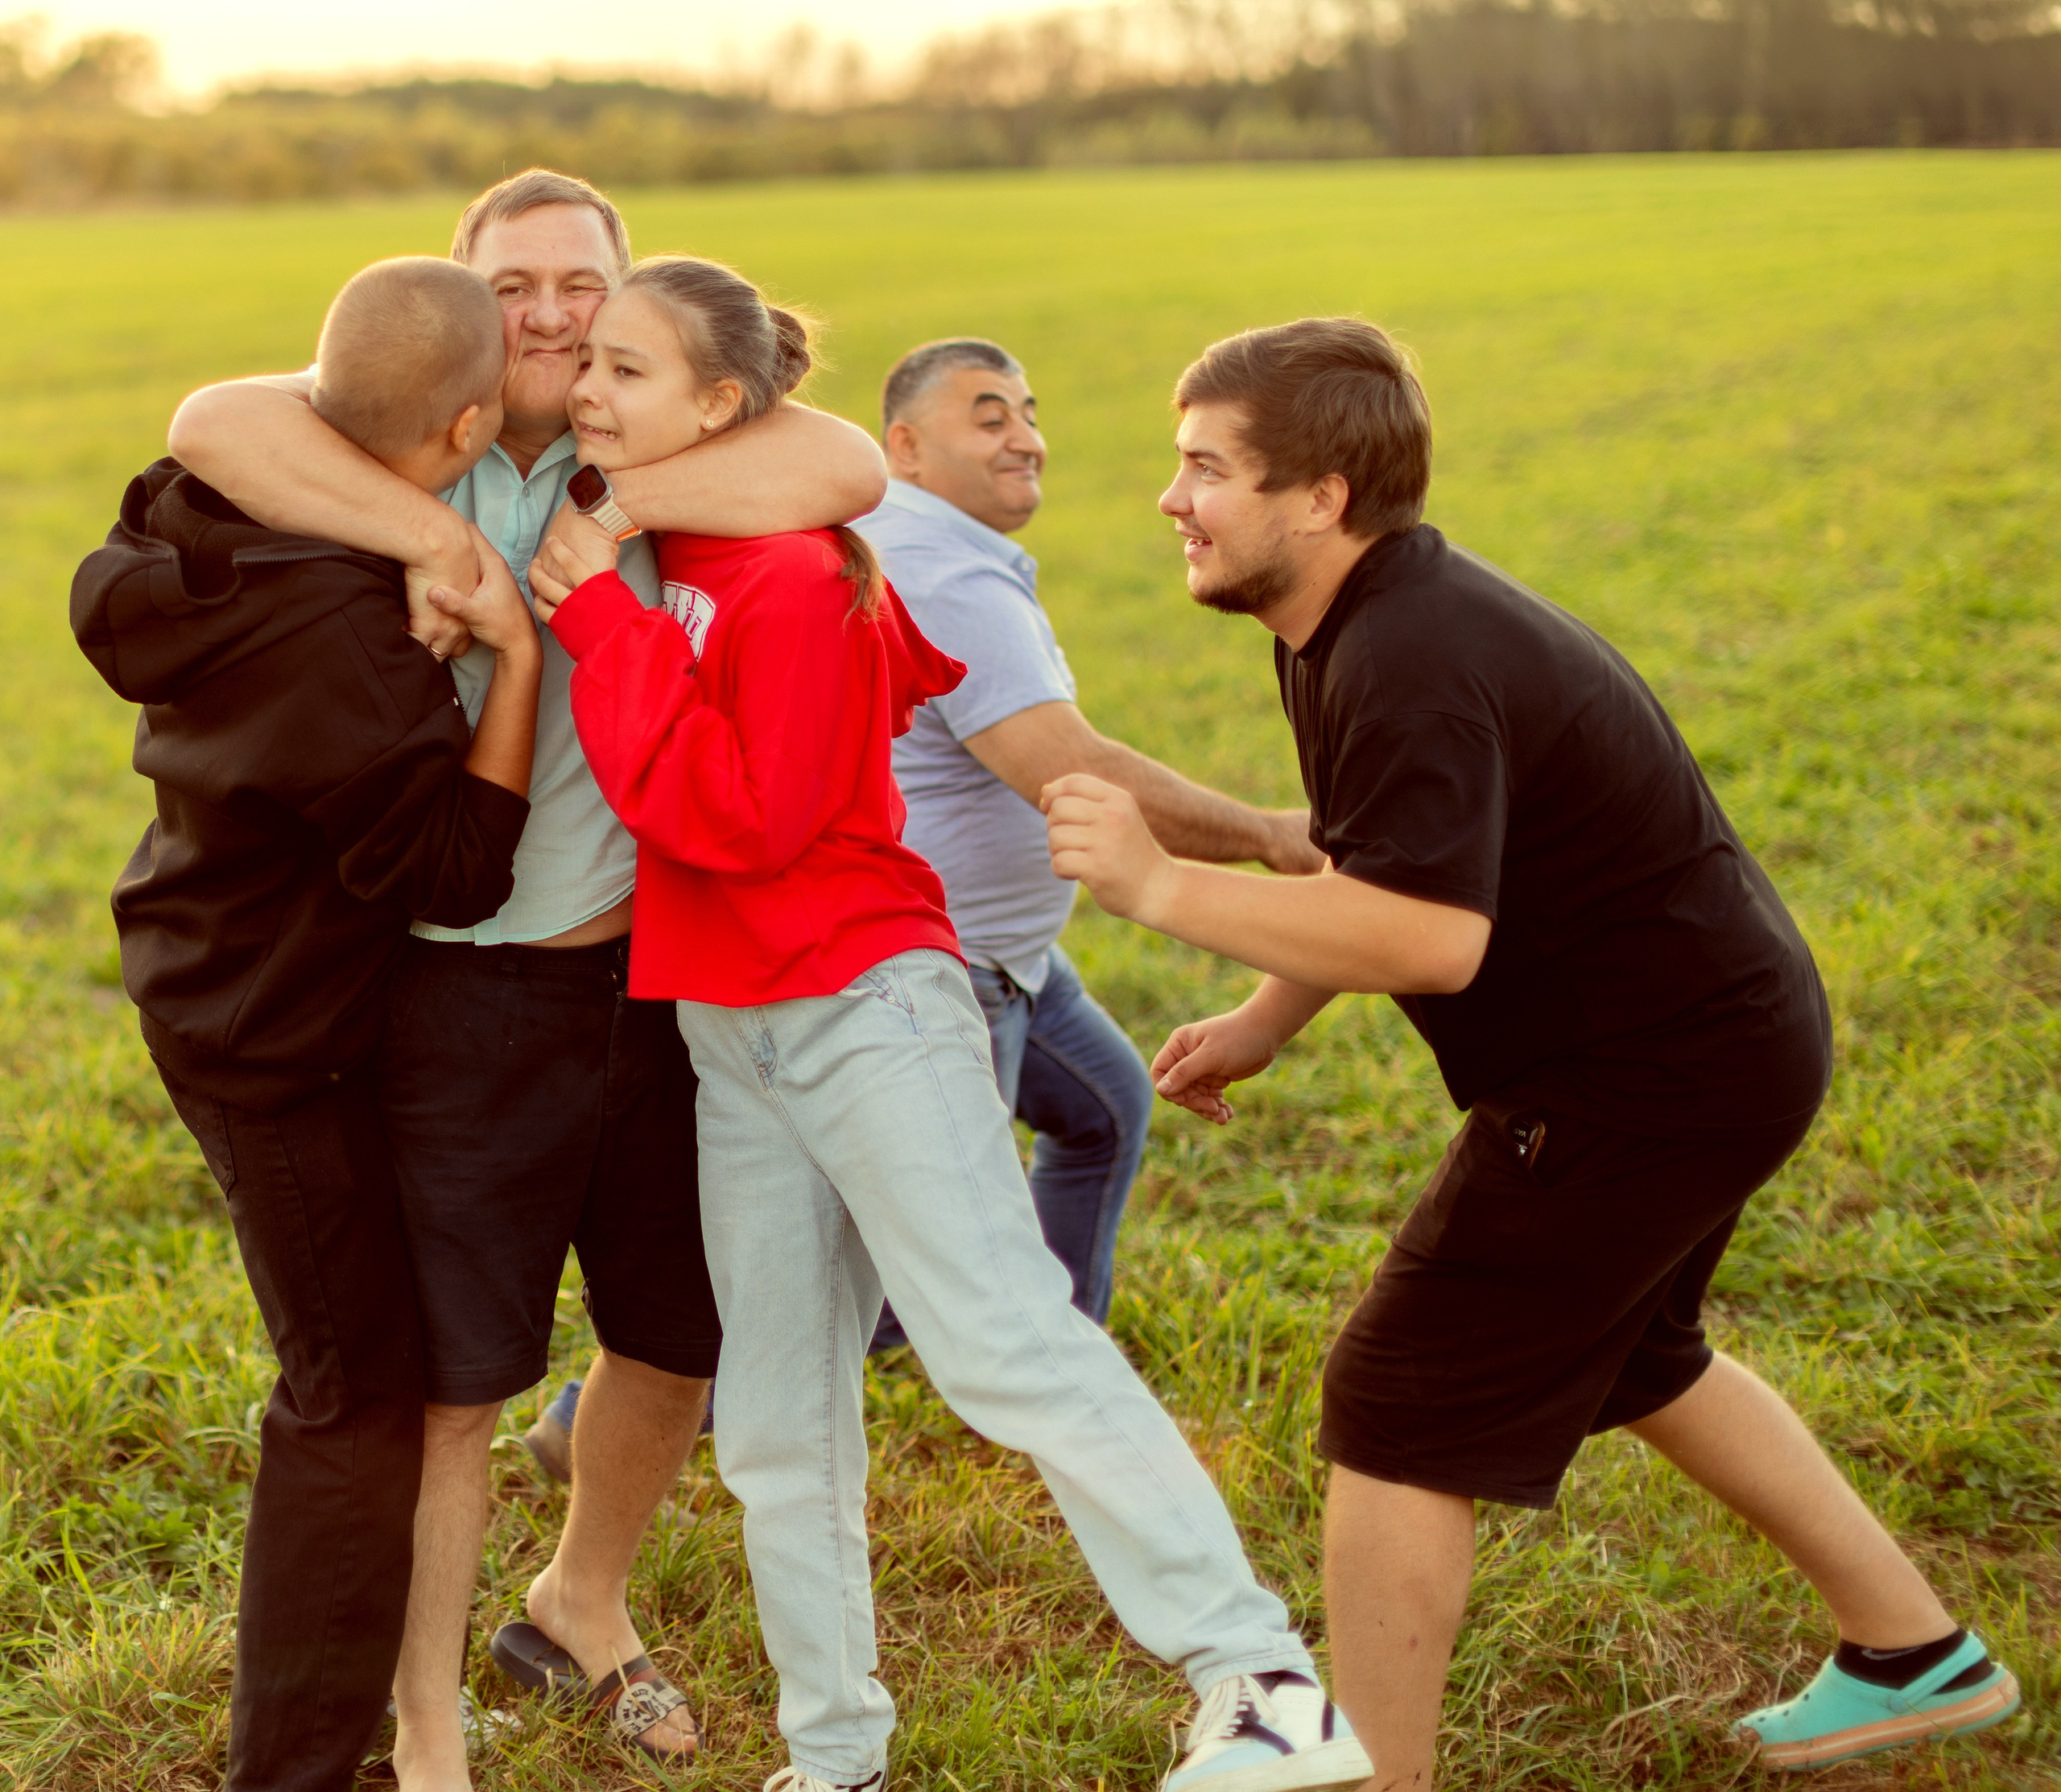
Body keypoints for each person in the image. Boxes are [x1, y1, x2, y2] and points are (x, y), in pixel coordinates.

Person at [1042, 316, 2023, 1787]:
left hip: (1648, 1071)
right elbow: (1376, 866)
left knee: (1396, 1401)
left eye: (1205, 469)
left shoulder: (1410, 656)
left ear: (1320, 496)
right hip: (1719, 1039)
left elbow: (1435, 937)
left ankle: (1382, 1774)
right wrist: (1259, 1017)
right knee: (1640, 1353)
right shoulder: (1348, 624)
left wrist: (1159, 887)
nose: (1171, 499)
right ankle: (1914, 1652)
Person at [524, 254, 1373, 1792]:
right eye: (590, 361)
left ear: (719, 405)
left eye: (627, 370)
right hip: (732, 1032)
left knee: (1002, 1343)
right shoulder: (682, 550)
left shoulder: (793, 577)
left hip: (865, 1005)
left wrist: (603, 626)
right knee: (777, 1421)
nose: (590, 391)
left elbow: (740, 823)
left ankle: (1264, 1681)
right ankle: (835, 1754)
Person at [164, 169, 888, 1788]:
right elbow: (213, 417)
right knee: (455, 1393)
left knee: (671, 1338)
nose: (554, 315)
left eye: (584, 284)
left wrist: (609, 520)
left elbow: (844, 461)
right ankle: (428, 1722)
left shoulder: (659, 448)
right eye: (516, 286)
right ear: (459, 303)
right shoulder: (390, 437)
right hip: (460, 1001)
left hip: (658, 980)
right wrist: (454, 550)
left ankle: (582, 1604)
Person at [72, 258, 540, 1792]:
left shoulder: (212, 511)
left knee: (365, 1375)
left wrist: (428, 538)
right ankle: (292, 1767)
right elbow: (462, 873)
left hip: (207, 961)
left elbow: (232, 417)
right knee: (350, 1396)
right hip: (272, 1042)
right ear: (468, 418)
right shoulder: (355, 644)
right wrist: (518, 657)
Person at [856, 337, 1324, 1341]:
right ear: (903, 445)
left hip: (1006, 956)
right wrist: (1272, 837)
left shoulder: (919, 547)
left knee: (1104, 1109)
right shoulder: (948, 581)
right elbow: (1076, 775)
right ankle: (636, 1401)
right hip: (944, 969)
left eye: (1028, 413)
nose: (1026, 439)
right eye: (989, 418)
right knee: (895, 1278)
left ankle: (1058, 1352)